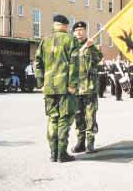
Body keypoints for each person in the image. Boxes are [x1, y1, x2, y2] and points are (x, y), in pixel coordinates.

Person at [35, 14, 79, 163]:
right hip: (65, 87)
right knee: (64, 120)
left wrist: (41, 83)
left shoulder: (44, 41)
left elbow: (38, 62)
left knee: (52, 119)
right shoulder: (70, 39)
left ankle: (53, 153)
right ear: (66, 26)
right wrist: (72, 84)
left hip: (49, 87)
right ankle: (62, 153)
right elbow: (74, 63)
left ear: (54, 25)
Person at [72, 21, 103, 154]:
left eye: (82, 30)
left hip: (89, 87)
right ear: (73, 32)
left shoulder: (93, 46)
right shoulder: (70, 47)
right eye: (77, 30)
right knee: (78, 116)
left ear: (85, 31)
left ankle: (90, 143)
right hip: (75, 89)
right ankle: (80, 142)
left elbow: (98, 59)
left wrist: (90, 48)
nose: (79, 32)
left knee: (90, 116)